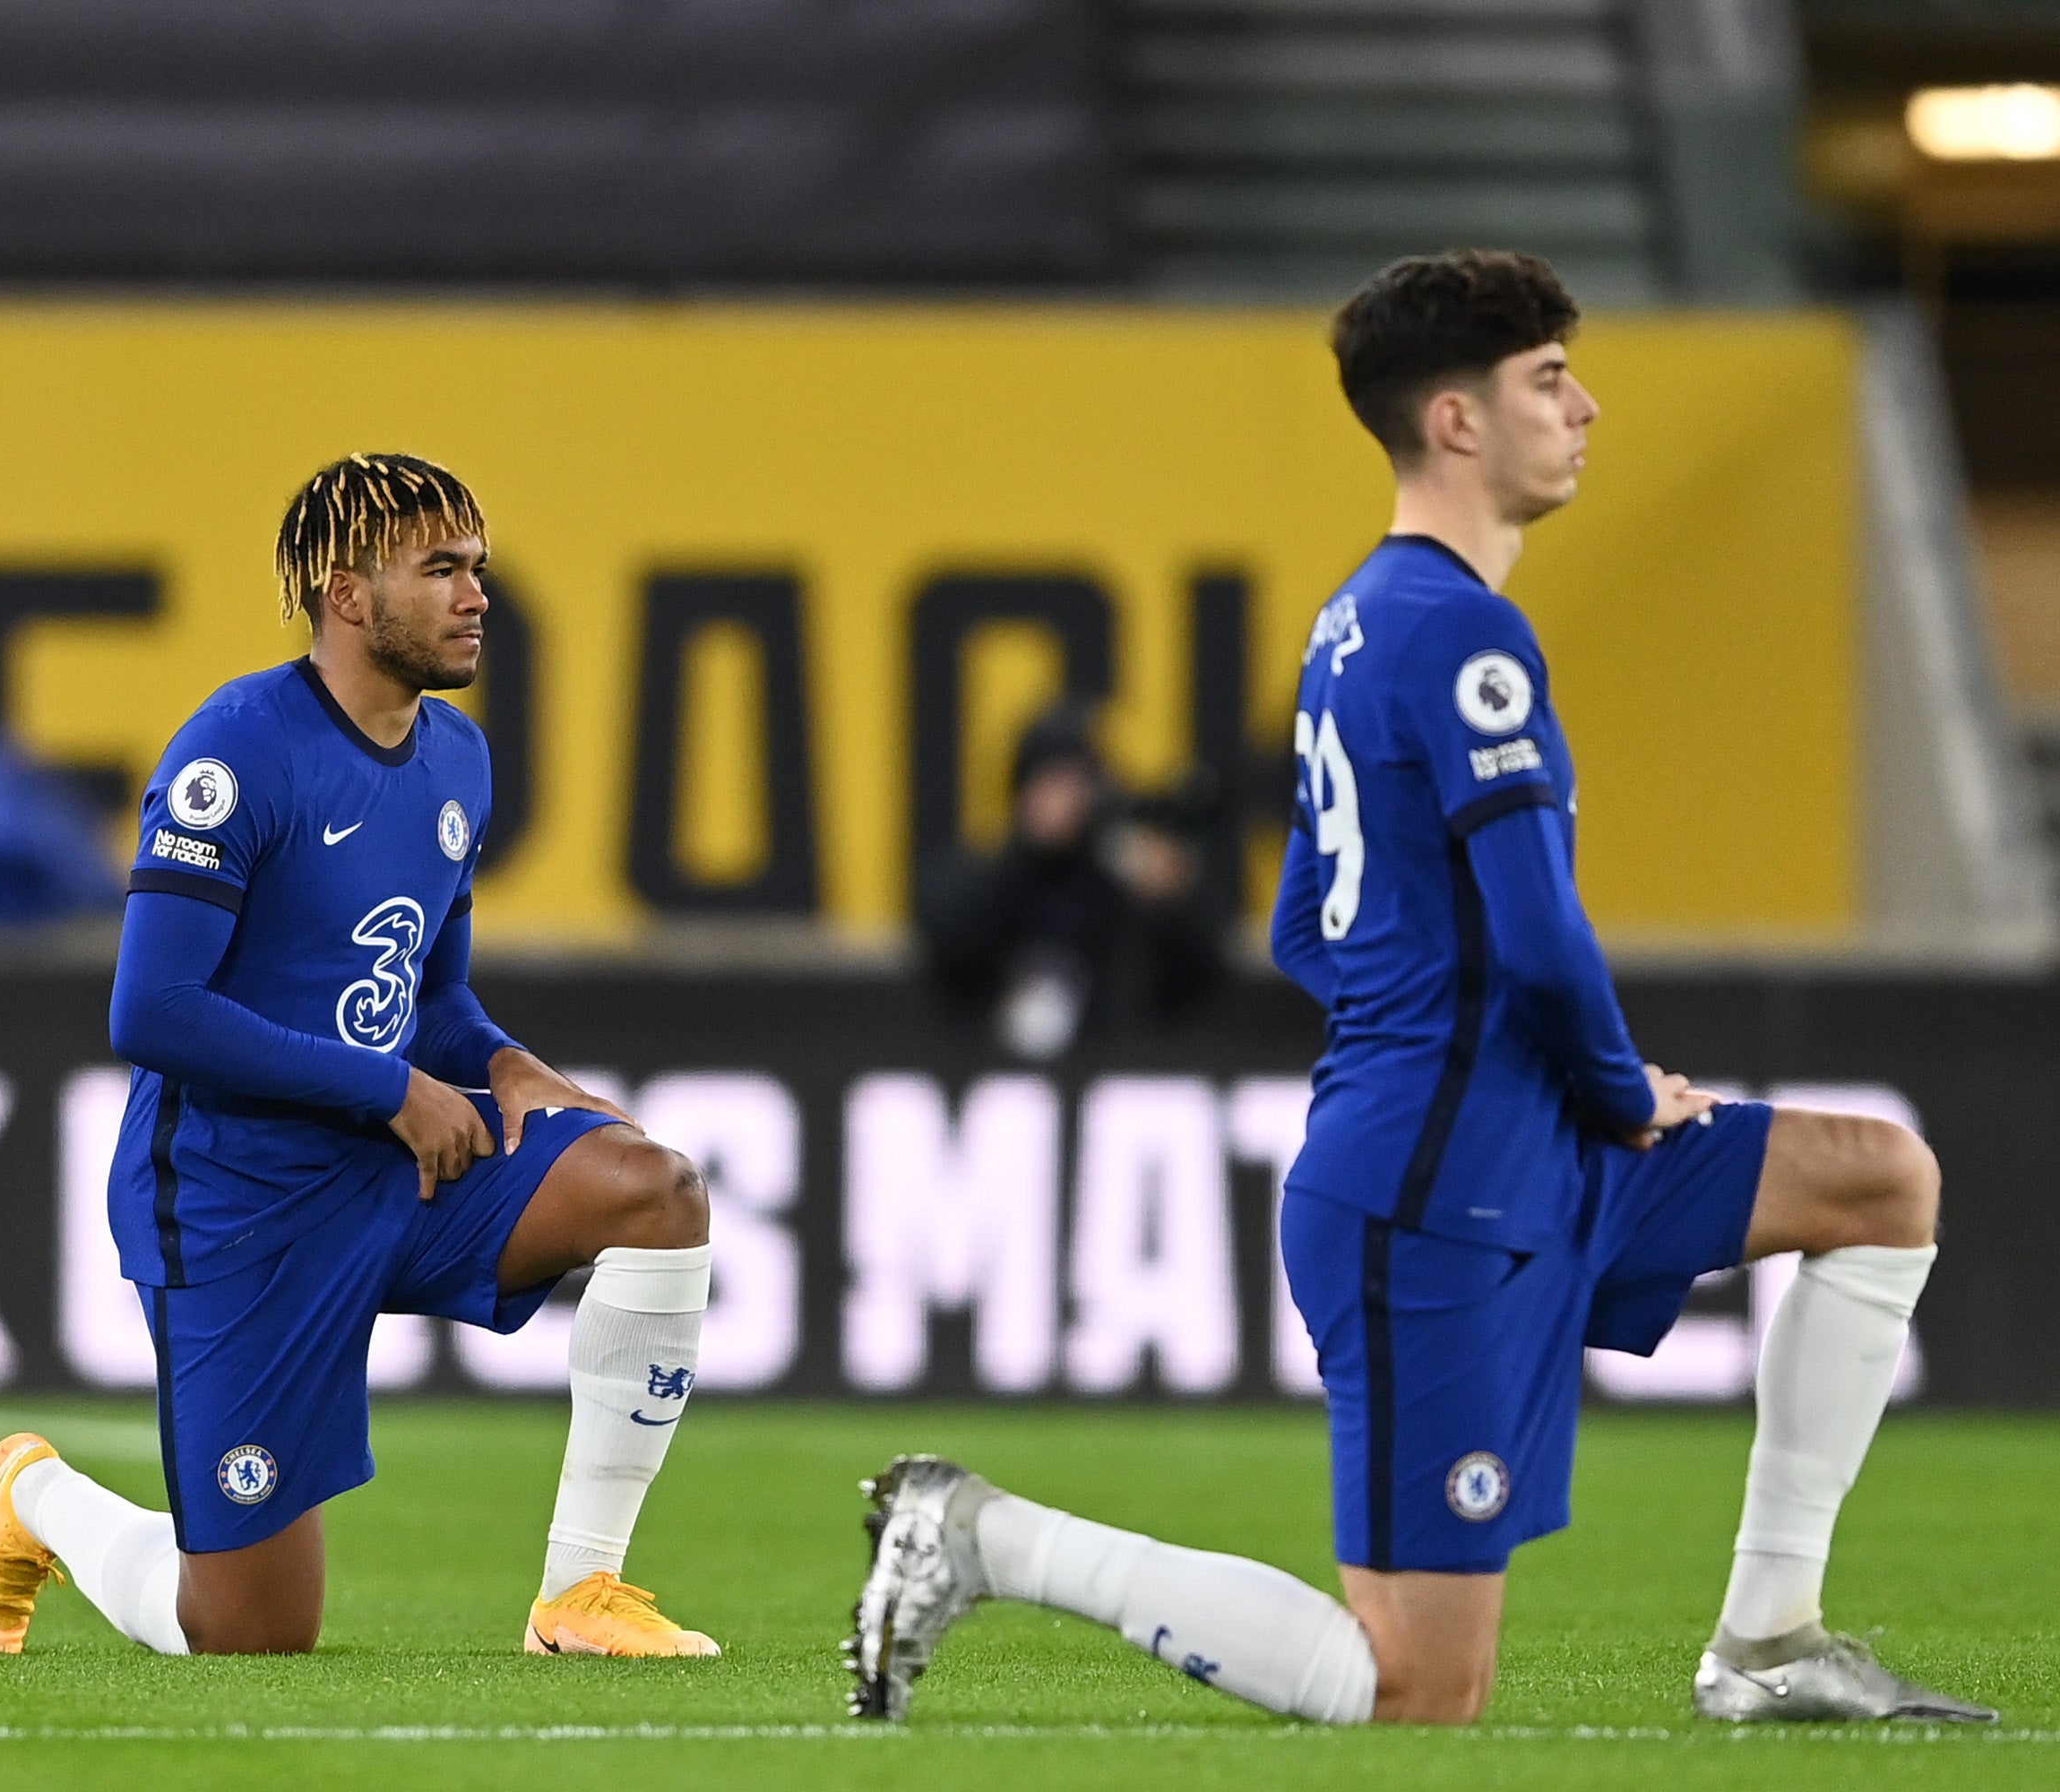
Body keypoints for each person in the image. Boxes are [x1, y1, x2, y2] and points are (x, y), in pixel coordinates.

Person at [846, 252, 1995, 1727]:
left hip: (1509, 1142)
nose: (1586, 406)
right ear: (1456, 420)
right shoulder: (1458, 634)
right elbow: (1538, 932)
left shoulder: (1358, 622)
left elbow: (1303, 928)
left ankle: (1771, 1641)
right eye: (1547, 379)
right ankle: (987, 1536)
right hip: (1438, 1193)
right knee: (1414, 1692)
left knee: (1878, 1181)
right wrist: (1616, 1087)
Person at [0, 452, 719, 1659]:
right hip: (235, 1197)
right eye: (443, 570)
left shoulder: (456, 760)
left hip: (390, 1171)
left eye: (480, 569)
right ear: (347, 593)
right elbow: (153, 1011)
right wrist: (391, 1087)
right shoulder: (237, 750)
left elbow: (431, 993)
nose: (477, 597)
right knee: (246, 1635)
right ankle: (31, 1496)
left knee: (653, 1190)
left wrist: (500, 1062)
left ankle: (582, 1595)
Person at [913, 703, 1228, 1060]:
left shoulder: (1115, 885)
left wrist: (1167, 904)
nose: (1064, 799)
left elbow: (1195, 982)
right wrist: (1028, 851)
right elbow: (948, 938)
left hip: (1105, 1079)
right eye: (1051, 782)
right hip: (990, 1079)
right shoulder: (985, 880)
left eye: (1076, 783)